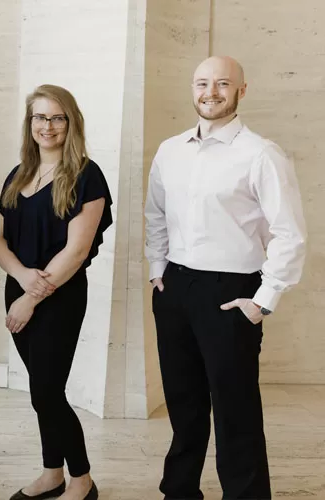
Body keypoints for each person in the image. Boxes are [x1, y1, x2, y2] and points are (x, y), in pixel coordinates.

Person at [145, 56, 307, 500]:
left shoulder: (261, 154)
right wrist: (158, 269)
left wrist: (262, 300)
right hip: (175, 288)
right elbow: (156, 214)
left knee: (235, 411)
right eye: (201, 83)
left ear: (241, 90)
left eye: (222, 83)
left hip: (231, 294)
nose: (210, 92)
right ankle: (179, 491)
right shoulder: (170, 150)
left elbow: (289, 234)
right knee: (184, 403)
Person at [0, 84, 112, 500]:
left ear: (70, 122)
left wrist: (32, 295)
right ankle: (52, 473)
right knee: (43, 390)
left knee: (46, 390)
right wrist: (21, 278)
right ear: (30, 123)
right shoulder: (18, 174)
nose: (47, 126)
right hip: (18, 291)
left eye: (57, 117)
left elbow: (76, 250)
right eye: (39, 117)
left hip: (58, 299)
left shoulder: (85, 175)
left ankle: (82, 479)